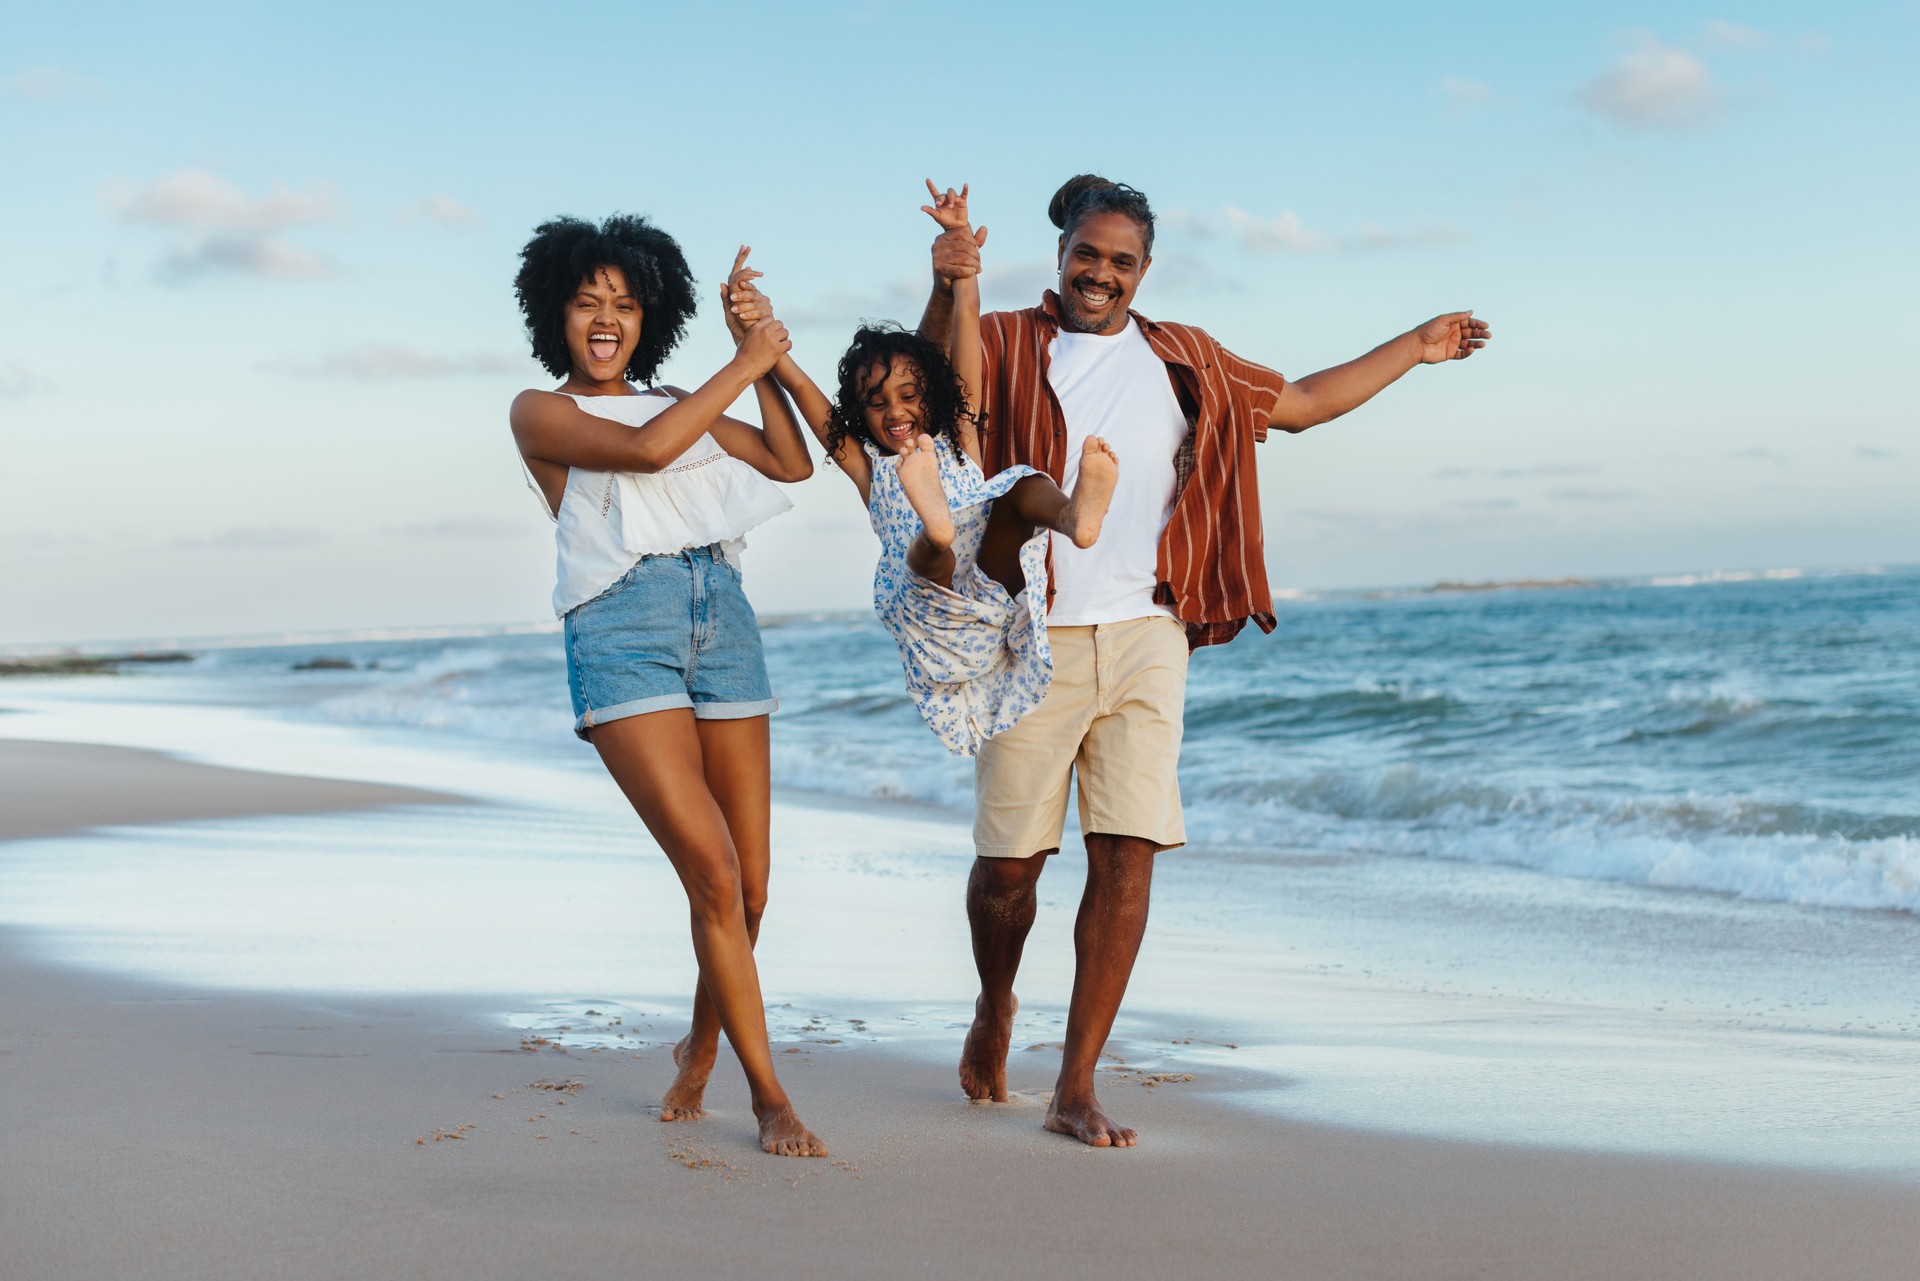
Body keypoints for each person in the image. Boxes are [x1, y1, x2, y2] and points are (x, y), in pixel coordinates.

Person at [917, 175, 1491, 1147]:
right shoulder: (1010, 335)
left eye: (1121, 261)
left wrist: (1416, 347)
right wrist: (950, 285)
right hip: (1032, 632)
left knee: (1129, 848)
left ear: (1144, 270)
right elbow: (939, 396)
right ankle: (996, 1000)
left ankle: (1076, 1083)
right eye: (1087, 255)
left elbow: (1301, 404)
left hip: (1150, 632)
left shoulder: (1183, 356)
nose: (1101, 273)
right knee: (1010, 869)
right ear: (1060, 254)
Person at [508, 214, 827, 1157]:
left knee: (752, 889)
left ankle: (699, 1043)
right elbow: (647, 452)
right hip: (623, 629)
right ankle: (769, 1096)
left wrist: (754, 359)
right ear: (555, 312)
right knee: (714, 872)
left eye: (625, 303)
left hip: (721, 618)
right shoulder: (538, 410)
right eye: (586, 302)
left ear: (649, 316)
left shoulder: (678, 397)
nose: (606, 319)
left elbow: (790, 460)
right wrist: (747, 361)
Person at [724, 185, 1117, 756]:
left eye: (909, 396)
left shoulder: (961, 437)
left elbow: (967, 320)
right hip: (933, 608)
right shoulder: (867, 465)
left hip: (984, 605)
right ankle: (936, 526)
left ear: (932, 395)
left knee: (1018, 487)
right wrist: (756, 330)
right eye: (876, 403)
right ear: (859, 414)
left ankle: (1074, 516)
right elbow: (801, 387)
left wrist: (962, 252)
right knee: (930, 547)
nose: (896, 412)